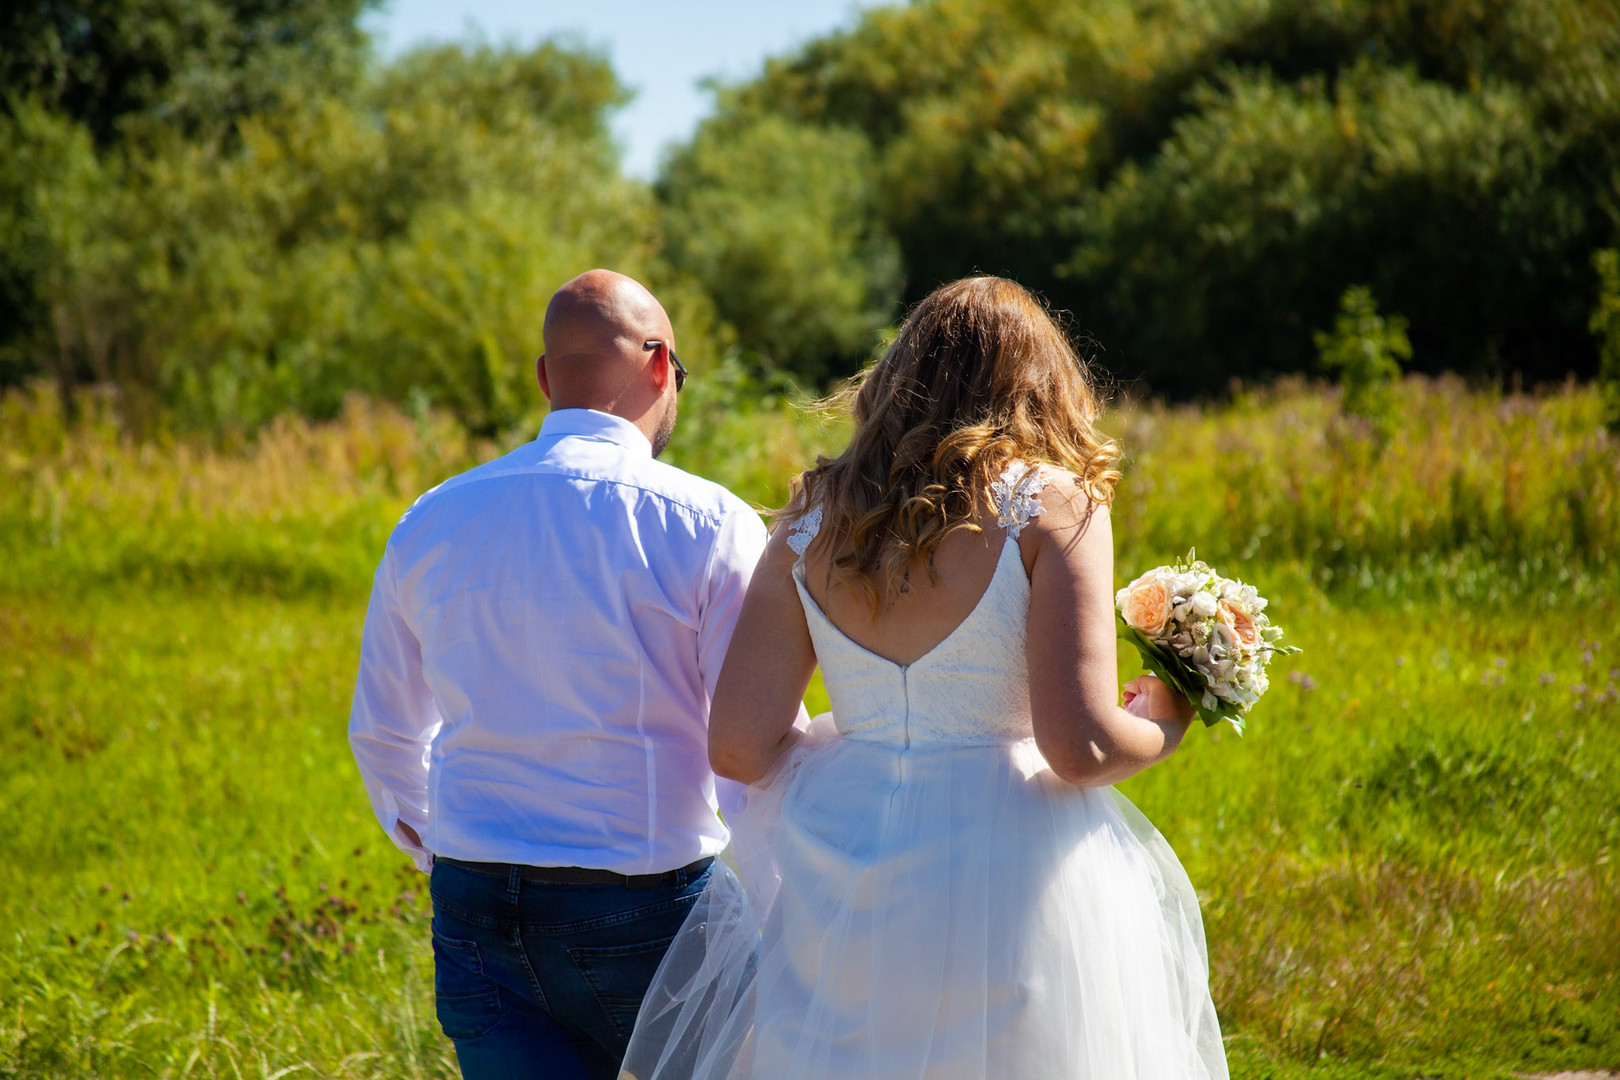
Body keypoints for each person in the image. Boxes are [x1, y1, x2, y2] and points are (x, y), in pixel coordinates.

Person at [622, 276, 1229, 1079]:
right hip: (1011, 852)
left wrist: (862, 736)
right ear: (1041, 383)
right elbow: (1079, 746)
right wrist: (1170, 714)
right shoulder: (1057, 508)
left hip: (846, 858)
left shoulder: (811, 519)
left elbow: (736, 745)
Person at [348, 269, 771, 1080]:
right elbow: (747, 750)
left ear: (547, 380)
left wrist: (449, 855)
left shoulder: (431, 518)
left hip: (475, 908)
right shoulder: (710, 522)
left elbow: (386, 732)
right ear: (659, 365)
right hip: (652, 904)